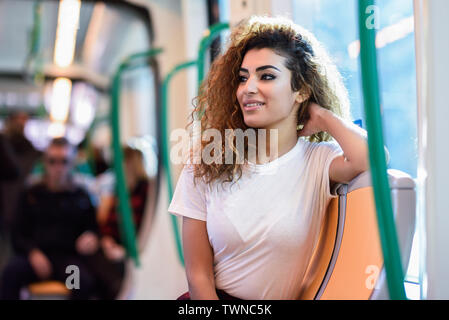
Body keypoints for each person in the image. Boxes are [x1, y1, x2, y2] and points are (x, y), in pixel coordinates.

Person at [168, 16, 370, 300]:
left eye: (266, 76)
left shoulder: (317, 161)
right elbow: (198, 275)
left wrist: (323, 117)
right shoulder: (207, 163)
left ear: (301, 91)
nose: (247, 88)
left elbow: (371, 158)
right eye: (243, 78)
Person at [0, 137, 99, 300]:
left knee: (79, 282)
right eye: (52, 161)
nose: (58, 167)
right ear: (45, 163)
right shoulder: (32, 194)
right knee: (10, 274)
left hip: (67, 261)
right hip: (34, 259)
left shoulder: (80, 196)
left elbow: (92, 228)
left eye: (64, 161)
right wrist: (32, 253)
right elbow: (18, 233)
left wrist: (91, 237)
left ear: (72, 163)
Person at [85, 145, 150, 299]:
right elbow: (107, 222)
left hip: (131, 250)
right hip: (112, 245)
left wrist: (125, 252)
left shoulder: (145, 192)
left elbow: (143, 227)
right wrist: (106, 240)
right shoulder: (120, 191)